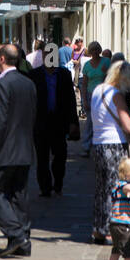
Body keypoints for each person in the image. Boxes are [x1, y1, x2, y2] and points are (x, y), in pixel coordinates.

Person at [0, 42, 38, 257]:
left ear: (2, 59)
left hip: (6, 149)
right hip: (24, 148)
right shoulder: (28, 83)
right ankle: (24, 241)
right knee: (18, 194)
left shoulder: (2, 84)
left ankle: (16, 234)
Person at [90, 59, 130, 244]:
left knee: (101, 188)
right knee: (115, 187)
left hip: (98, 144)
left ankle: (99, 229)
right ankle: (112, 229)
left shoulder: (97, 90)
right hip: (114, 144)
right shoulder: (115, 94)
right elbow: (128, 125)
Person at [30, 44, 76, 197]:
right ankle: (45, 187)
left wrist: (73, 122)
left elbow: (71, 100)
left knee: (60, 155)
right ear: (42, 56)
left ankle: (58, 182)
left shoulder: (64, 74)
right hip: (40, 122)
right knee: (42, 157)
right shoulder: (34, 75)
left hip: (59, 122)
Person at [79, 42, 109, 155]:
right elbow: (84, 84)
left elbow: (111, 78)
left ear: (100, 50)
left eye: (97, 49)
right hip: (91, 95)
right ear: (90, 52)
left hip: (104, 95)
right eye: (93, 50)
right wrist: (84, 100)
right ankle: (86, 146)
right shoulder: (87, 65)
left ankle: (102, 145)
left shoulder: (106, 62)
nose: (95, 52)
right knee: (90, 122)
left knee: (103, 121)